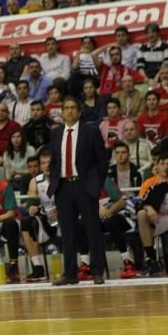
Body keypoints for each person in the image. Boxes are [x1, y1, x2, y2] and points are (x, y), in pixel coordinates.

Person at [49, 97, 110, 286]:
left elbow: (102, 160)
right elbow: (54, 161)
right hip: (64, 186)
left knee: (92, 230)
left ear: (79, 111)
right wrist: (55, 181)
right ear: (62, 111)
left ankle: (97, 271)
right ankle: (70, 273)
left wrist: (96, 183)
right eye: (66, 108)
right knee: (67, 232)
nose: (69, 111)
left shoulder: (90, 131)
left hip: (84, 185)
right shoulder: (56, 133)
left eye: (73, 108)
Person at [21, 149, 57, 282]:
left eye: (49, 162)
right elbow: (31, 201)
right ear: (40, 166)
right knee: (26, 221)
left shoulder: (62, 178)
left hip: (65, 216)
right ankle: (37, 266)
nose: (46, 165)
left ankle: (83, 264)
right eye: (43, 163)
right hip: (47, 218)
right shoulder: (35, 181)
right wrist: (31, 207)